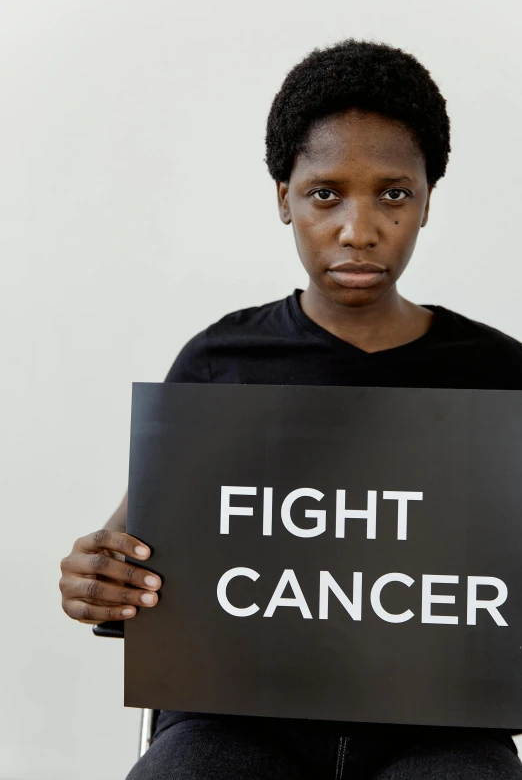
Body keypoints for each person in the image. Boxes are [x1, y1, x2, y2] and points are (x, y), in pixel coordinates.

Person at [59, 38, 522, 779]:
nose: (359, 229)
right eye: (326, 193)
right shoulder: (221, 364)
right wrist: (98, 582)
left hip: (437, 732)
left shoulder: (500, 375)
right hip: (237, 724)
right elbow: (132, 559)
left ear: (429, 196)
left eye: (394, 193)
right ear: (284, 197)